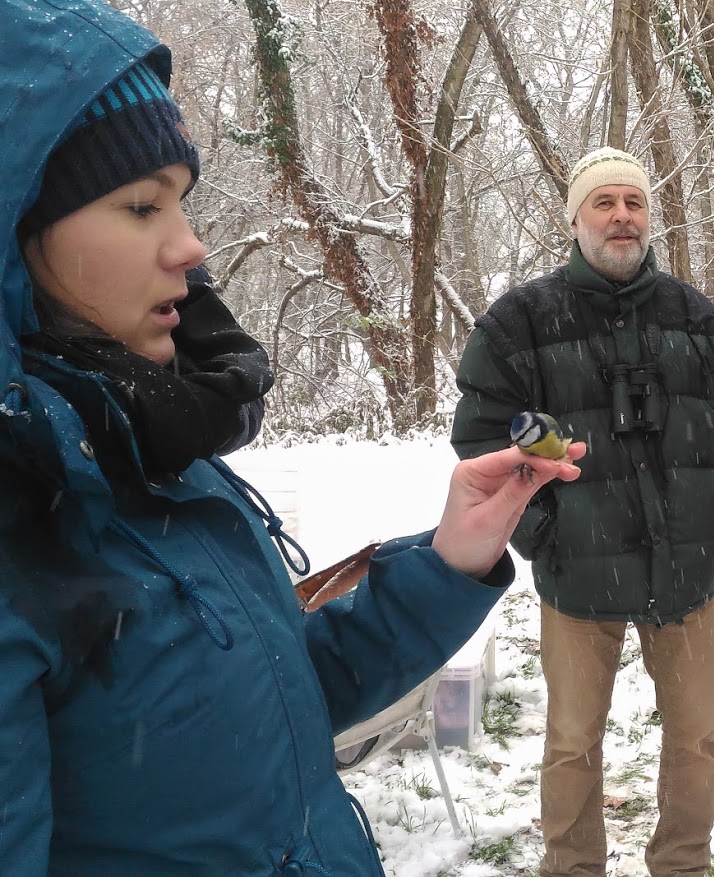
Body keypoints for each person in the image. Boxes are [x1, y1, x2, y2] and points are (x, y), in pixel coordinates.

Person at [0, 2, 583, 874]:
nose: (190, 248)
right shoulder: (27, 514)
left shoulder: (155, 453)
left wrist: (451, 560)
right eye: (138, 206)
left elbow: (282, 700)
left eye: (183, 204)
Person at [450, 146, 714, 877]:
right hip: (578, 572)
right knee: (570, 740)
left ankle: (682, 864)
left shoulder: (699, 319)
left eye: (634, 203)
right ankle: (572, 866)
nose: (621, 217)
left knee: (695, 739)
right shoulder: (520, 322)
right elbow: (481, 438)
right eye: (603, 203)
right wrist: (542, 529)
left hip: (685, 570)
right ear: (576, 218)